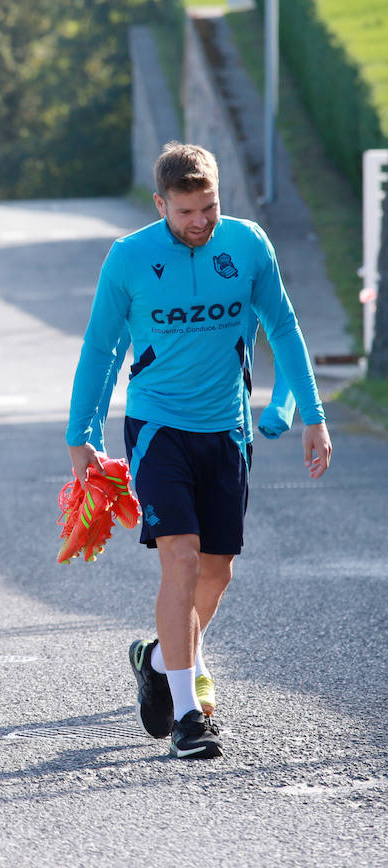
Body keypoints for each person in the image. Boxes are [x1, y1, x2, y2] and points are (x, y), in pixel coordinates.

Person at [66, 142, 331, 760]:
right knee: (180, 563)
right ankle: (189, 714)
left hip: (227, 431)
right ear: (160, 204)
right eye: (185, 211)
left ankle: (157, 659)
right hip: (158, 429)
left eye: (208, 208)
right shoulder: (129, 257)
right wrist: (81, 432)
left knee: (218, 571)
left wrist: (312, 417)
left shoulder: (247, 245)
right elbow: (102, 346)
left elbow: (284, 327)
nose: (199, 222)